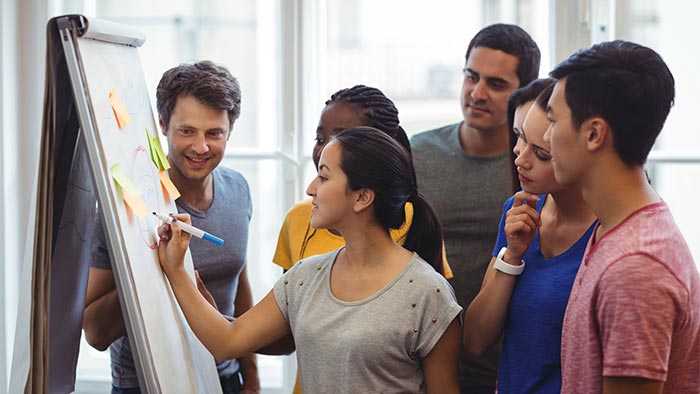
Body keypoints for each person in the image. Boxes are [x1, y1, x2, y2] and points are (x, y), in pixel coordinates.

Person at [158, 127, 463, 394]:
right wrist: (176, 271)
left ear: (362, 197)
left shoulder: (426, 293)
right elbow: (227, 341)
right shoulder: (306, 276)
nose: (311, 189)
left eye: (324, 176)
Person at [82, 61, 259, 394]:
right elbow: (95, 333)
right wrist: (153, 265)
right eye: (187, 131)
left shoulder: (238, 189)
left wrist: (251, 375)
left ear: (230, 131)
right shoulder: (126, 208)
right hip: (146, 383)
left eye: (214, 133)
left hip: (225, 377)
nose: (201, 147)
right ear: (162, 125)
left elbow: (239, 284)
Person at [272, 84, 453, 393]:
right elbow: (286, 331)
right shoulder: (302, 219)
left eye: (340, 139)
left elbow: (433, 338)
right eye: (320, 138)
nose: (323, 150)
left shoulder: (411, 222)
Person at [545, 40, 700, 393]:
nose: (546, 136)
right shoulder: (615, 227)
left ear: (594, 133)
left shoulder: (635, 267)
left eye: (553, 120)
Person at [410, 23, 540, 393]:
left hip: (507, 363)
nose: (477, 93)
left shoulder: (538, 167)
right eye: (471, 77)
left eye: (496, 84)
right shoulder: (417, 154)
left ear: (523, 93)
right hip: (421, 358)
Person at [462, 78, 596, 393]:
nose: (520, 157)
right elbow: (475, 340)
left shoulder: (610, 231)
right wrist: (512, 256)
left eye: (541, 153)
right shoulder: (519, 210)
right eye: (519, 138)